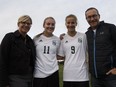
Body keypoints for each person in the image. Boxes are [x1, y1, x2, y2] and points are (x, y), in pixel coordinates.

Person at [0, 15, 36, 87]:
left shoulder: (30, 41)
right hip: (15, 77)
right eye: (23, 22)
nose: (26, 25)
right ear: (18, 24)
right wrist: (4, 82)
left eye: (28, 23)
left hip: (30, 77)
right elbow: (2, 59)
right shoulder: (9, 37)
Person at [85, 7, 116, 87]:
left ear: (99, 16)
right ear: (86, 19)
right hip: (95, 78)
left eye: (94, 16)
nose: (92, 19)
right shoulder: (86, 35)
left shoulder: (110, 28)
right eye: (89, 17)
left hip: (111, 77)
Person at [58, 14, 89, 87]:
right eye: (68, 23)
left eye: (72, 22)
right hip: (68, 76)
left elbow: (89, 51)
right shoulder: (63, 38)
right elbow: (61, 56)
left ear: (76, 23)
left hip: (82, 75)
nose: (70, 25)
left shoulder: (83, 36)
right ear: (65, 24)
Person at [33, 17, 60, 87]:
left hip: (53, 73)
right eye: (48, 24)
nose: (50, 26)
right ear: (43, 25)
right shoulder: (36, 38)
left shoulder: (57, 40)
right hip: (39, 74)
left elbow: (59, 55)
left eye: (52, 24)